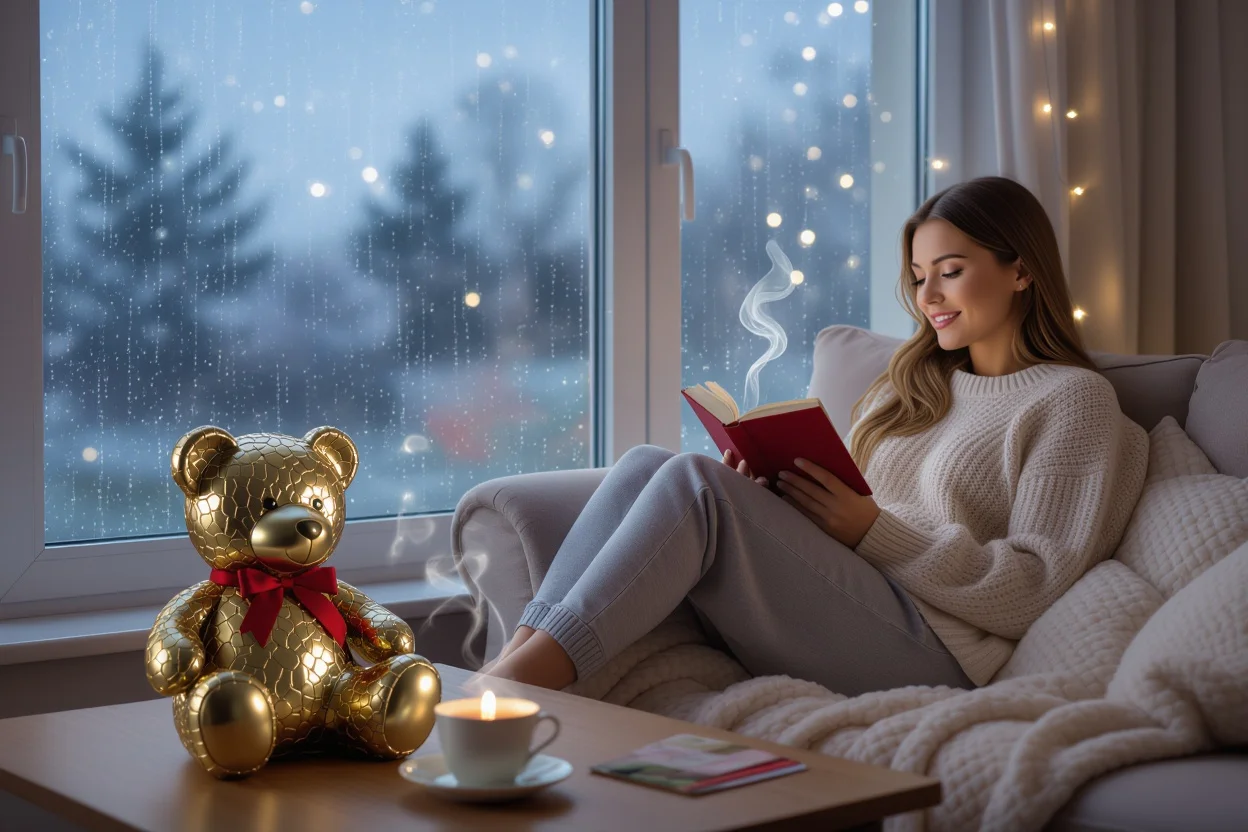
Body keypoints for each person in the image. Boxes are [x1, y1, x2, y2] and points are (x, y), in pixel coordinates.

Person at [481, 176, 1149, 695]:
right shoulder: (907, 387)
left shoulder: (1069, 399)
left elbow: (1033, 586)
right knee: (645, 464)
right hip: (845, 597)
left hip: (935, 647)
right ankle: (510, 665)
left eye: (950, 271)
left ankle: (511, 692)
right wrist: (772, 497)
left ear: (1021, 271)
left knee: (692, 483)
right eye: (919, 278)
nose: (928, 298)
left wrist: (871, 531)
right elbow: (843, 516)